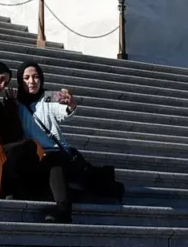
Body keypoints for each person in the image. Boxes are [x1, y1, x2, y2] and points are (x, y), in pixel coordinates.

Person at [0, 60, 72, 222]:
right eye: (0, 79)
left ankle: (52, 200)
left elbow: (13, 133)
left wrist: (11, 107)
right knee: (30, 149)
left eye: (6, 82)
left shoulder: (44, 98)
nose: (2, 85)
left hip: (1, 154)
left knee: (36, 153)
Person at [15, 62, 123, 203]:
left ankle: (65, 205)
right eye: (26, 78)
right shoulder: (16, 102)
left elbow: (62, 111)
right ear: (20, 80)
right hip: (35, 155)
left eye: (36, 77)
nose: (31, 82)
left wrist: (70, 106)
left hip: (56, 152)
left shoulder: (49, 96)